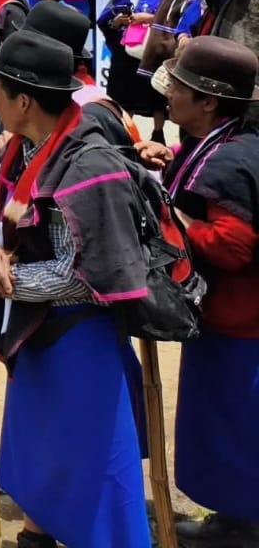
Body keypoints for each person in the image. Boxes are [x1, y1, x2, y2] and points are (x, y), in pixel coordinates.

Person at [0, 31, 152, 548]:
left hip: (80, 342)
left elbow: (79, 275)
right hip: (37, 337)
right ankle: (37, 534)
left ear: (23, 101)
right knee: (40, 458)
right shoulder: (24, 152)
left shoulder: (89, 165)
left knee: (95, 475)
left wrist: (0, 279)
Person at [157, 39, 259, 547]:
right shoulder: (227, 142)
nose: (170, 94)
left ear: (209, 103)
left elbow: (234, 246)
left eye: (180, 87)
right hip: (234, 320)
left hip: (239, 321)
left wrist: (173, 219)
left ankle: (242, 528)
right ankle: (235, 517)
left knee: (234, 425)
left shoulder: (230, 163)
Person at [98, 0, 166, 134]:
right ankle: (126, 132)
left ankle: (158, 133)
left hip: (151, 50)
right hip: (124, 52)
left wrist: (150, 19)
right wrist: (117, 21)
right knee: (124, 95)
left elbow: (171, 18)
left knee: (155, 94)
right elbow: (104, 20)